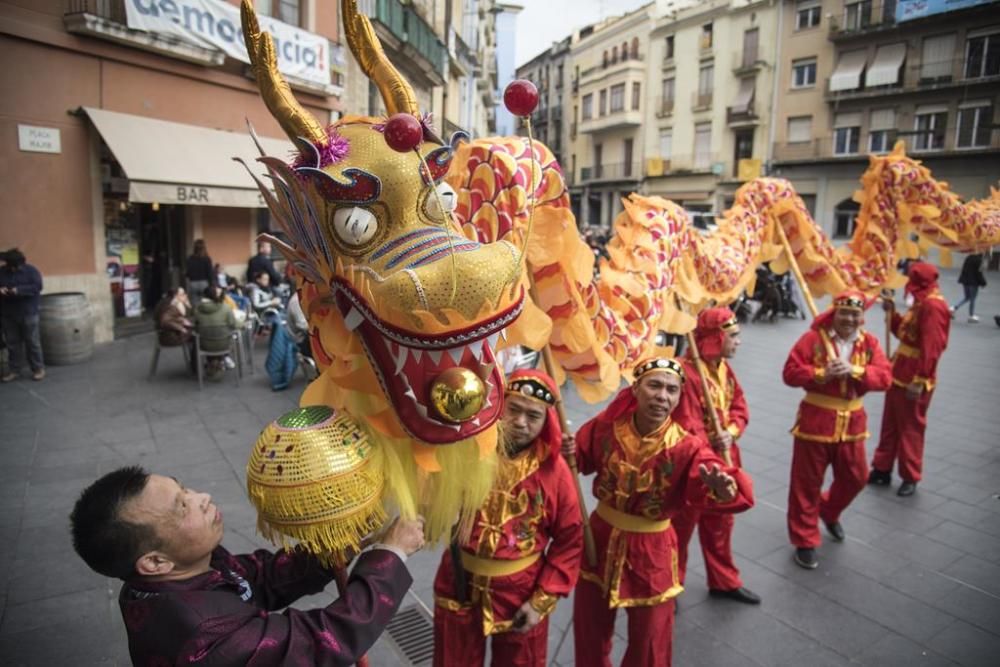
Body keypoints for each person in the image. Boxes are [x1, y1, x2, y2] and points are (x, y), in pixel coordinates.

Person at [69, 466, 424, 666]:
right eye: (182, 507)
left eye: (185, 487)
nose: (201, 497)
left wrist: (339, 544)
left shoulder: (177, 574)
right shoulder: (203, 634)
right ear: (155, 562)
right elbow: (316, 643)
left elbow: (260, 577)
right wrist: (390, 557)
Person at [564, 357, 754, 667]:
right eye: (654, 386)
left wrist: (723, 487)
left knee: (651, 639)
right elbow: (577, 463)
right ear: (636, 389)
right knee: (590, 629)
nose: (662, 396)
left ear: (680, 397)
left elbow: (712, 478)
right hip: (599, 538)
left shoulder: (688, 446)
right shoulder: (605, 427)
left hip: (652, 551)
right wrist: (567, 451)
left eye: (672, 390)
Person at [433, 369, 583, 667]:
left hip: (520, 592)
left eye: (533, 416)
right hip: (460, 579)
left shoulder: (555, 473)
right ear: (499, 407)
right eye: (514, 410)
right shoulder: (468, 453)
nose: (521, 423)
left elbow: (570, 540)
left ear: (545, 422)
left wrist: (541, 600)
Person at [782, 291, 892, 569]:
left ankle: (828, 511)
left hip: (852, 425)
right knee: (806, 484)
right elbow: (790, 373)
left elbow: (886, 377)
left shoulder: (869, 343)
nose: (849, 319)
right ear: (834, 313)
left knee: (857, 477)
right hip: (815, 423)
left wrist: (856, 370)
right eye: (844, 313)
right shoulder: (813, 339)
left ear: (862, 317)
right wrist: (821, 374)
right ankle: (805, 540)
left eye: (855, 314)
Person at [671, 308, 760, 604]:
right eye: (733, 336)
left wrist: (732, 431)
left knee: (721, 522)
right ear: (715, 337)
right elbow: (687, 425)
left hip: (725, 453)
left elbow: (739, 406)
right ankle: (670, 586)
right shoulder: (686, 373)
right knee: (680, 528)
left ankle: (723, 580)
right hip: (694, 464)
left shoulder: (723, 368)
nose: (739, 342)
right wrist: (712, 442)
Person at [871, 262, 951, 496]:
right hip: (898, 370)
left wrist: (921, 378)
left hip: (915, 375)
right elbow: (905, 333)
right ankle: (882, 468)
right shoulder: (920, 303)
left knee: (911, 427)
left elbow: (932, 347)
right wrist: (891, 314)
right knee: (890, 423)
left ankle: (910, 475)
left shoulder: (934, 306)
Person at [0, 248, 45, 382]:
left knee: (32, 342)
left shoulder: (31, 271)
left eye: (16, 267)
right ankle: (14, 371)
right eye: (11, 267)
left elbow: (37, 286)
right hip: (8, 313)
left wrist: (18, 290)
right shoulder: (2, 271)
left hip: (28, 312)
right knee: (12, 344)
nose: (13, 269)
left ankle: (38, 369)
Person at [193, 285, 239, 379]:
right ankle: (218, 361)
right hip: (224, 344)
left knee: (199, 338)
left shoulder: (197, 308)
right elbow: (232, 324)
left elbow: (195, 325)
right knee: (221, 335)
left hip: (204, 344)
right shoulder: (226, 307)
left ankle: (207, 364)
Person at [951, 252, 987, 323]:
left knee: (967, 297)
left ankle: (953, 308)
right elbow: (979, 273)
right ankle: (971, 315)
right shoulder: (980, 260)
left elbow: (964, 269)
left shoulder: (968, 258)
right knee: (972, 299)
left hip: (965, 281)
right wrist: (983, 283)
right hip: (973, 283)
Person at [185, 239, 214, 305]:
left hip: (193, 283)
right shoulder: (207, 259)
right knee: (205, 302)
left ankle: (196, 314)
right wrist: (211, 284)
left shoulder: (190, 258)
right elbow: (210, 273)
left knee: (194, 303)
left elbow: (188, 273)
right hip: (204, 283)